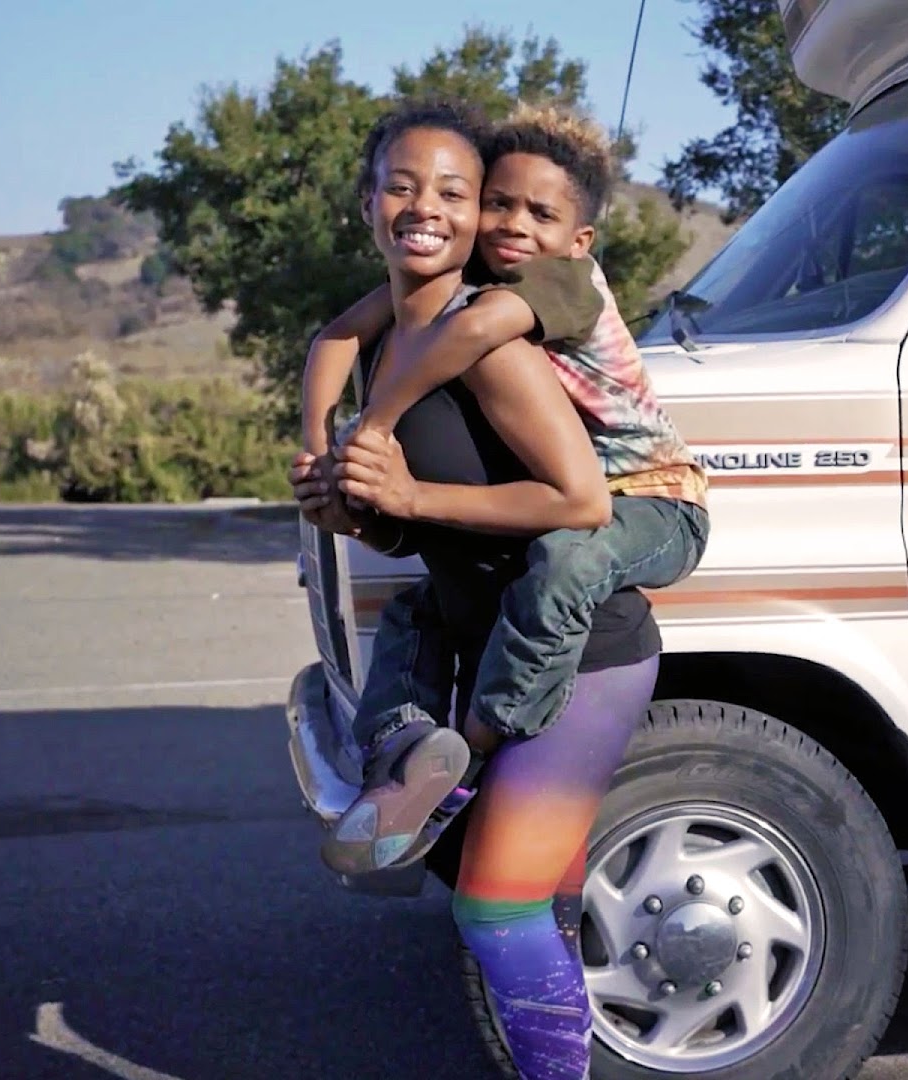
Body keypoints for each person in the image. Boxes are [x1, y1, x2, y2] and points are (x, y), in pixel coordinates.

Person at [293, 97, 662, 1080]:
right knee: (531, 902)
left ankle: (436, 771)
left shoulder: (488, 341)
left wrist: (406, 486)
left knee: (494, 909)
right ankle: (418, 765)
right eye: (403, 185)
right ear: (367, 202)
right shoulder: (385, 343)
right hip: (483, 640)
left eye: (454, 192)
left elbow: (579, 500)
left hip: (577, 655)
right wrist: (356, 508)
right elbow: (422, 529)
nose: (429, 207)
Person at [302, 104, 710, 876]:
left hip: (658, 498)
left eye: (539, 212)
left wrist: (377, 425)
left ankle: (483, 741)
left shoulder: (556, 284)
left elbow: (467, 337)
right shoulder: (461, 291)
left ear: (580, 238)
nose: (512, 222)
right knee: (415, 610)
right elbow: (336, 335)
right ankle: (401, 751)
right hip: (591, 508)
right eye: (500, 203)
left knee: (565, 561)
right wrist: (327, 462)